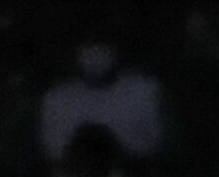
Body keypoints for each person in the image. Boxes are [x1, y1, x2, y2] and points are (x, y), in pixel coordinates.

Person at [37, 38, 165, 168]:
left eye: (102, 45)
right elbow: (54, 151)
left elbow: (154, 143)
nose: (95, 53)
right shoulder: (56, 99)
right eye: (89, 46)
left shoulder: (144, 90)